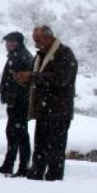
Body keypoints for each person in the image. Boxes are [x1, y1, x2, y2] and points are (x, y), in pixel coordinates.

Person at [15, 24, 78, 181]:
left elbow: (60, 79)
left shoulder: (65, 54)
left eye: (38, 40)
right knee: (40, 149)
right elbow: (38, 79)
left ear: (49, 38)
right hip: (43, 111)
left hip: (59, 112)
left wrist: (32, 77)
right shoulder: (39, 56)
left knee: (55, 152)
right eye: (34, 40)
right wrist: (25, 79)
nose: (36, 44)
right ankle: (35, 176)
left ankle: (53, 183)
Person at [0, 32, 33, 176]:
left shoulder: (22, 57)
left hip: (20, 104)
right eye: (7, 42)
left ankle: (23, 168)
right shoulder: (16, 56)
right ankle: (9, 165)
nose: (8, 45)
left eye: (12, 42)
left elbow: (24, 83)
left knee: (20, 134)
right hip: (15, 103)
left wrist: (13, 96)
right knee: (13, 133)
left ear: (19, 43)